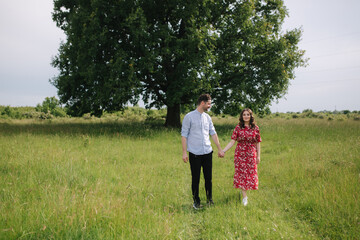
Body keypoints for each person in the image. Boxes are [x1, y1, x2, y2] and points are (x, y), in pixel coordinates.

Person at [181, 94, 225, 209]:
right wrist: (184, 152)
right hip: (194, 153)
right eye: (209, 103)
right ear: (202, 103)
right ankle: (196, 201)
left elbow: (213, 133)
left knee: (208, 178)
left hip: (207, 152)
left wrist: (219, 148)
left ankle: (209, 199)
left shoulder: (207, 118)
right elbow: (184, 135)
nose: (210, 106)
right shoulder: (189, 117)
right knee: (195, 178)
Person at [222, 108, 261, 206]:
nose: (246, 116)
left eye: (248, 114)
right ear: (241, 116)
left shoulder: (255, 128)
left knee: (250, 174)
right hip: (240, 154)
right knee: (241, 174)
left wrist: (258, 156)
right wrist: (223, 150)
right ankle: (244, 197)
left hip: (251, 154)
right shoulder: (238, 128)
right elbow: (232, 141)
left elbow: (258, 142)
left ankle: (243, 190)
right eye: (244, 114)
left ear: (251, 116)